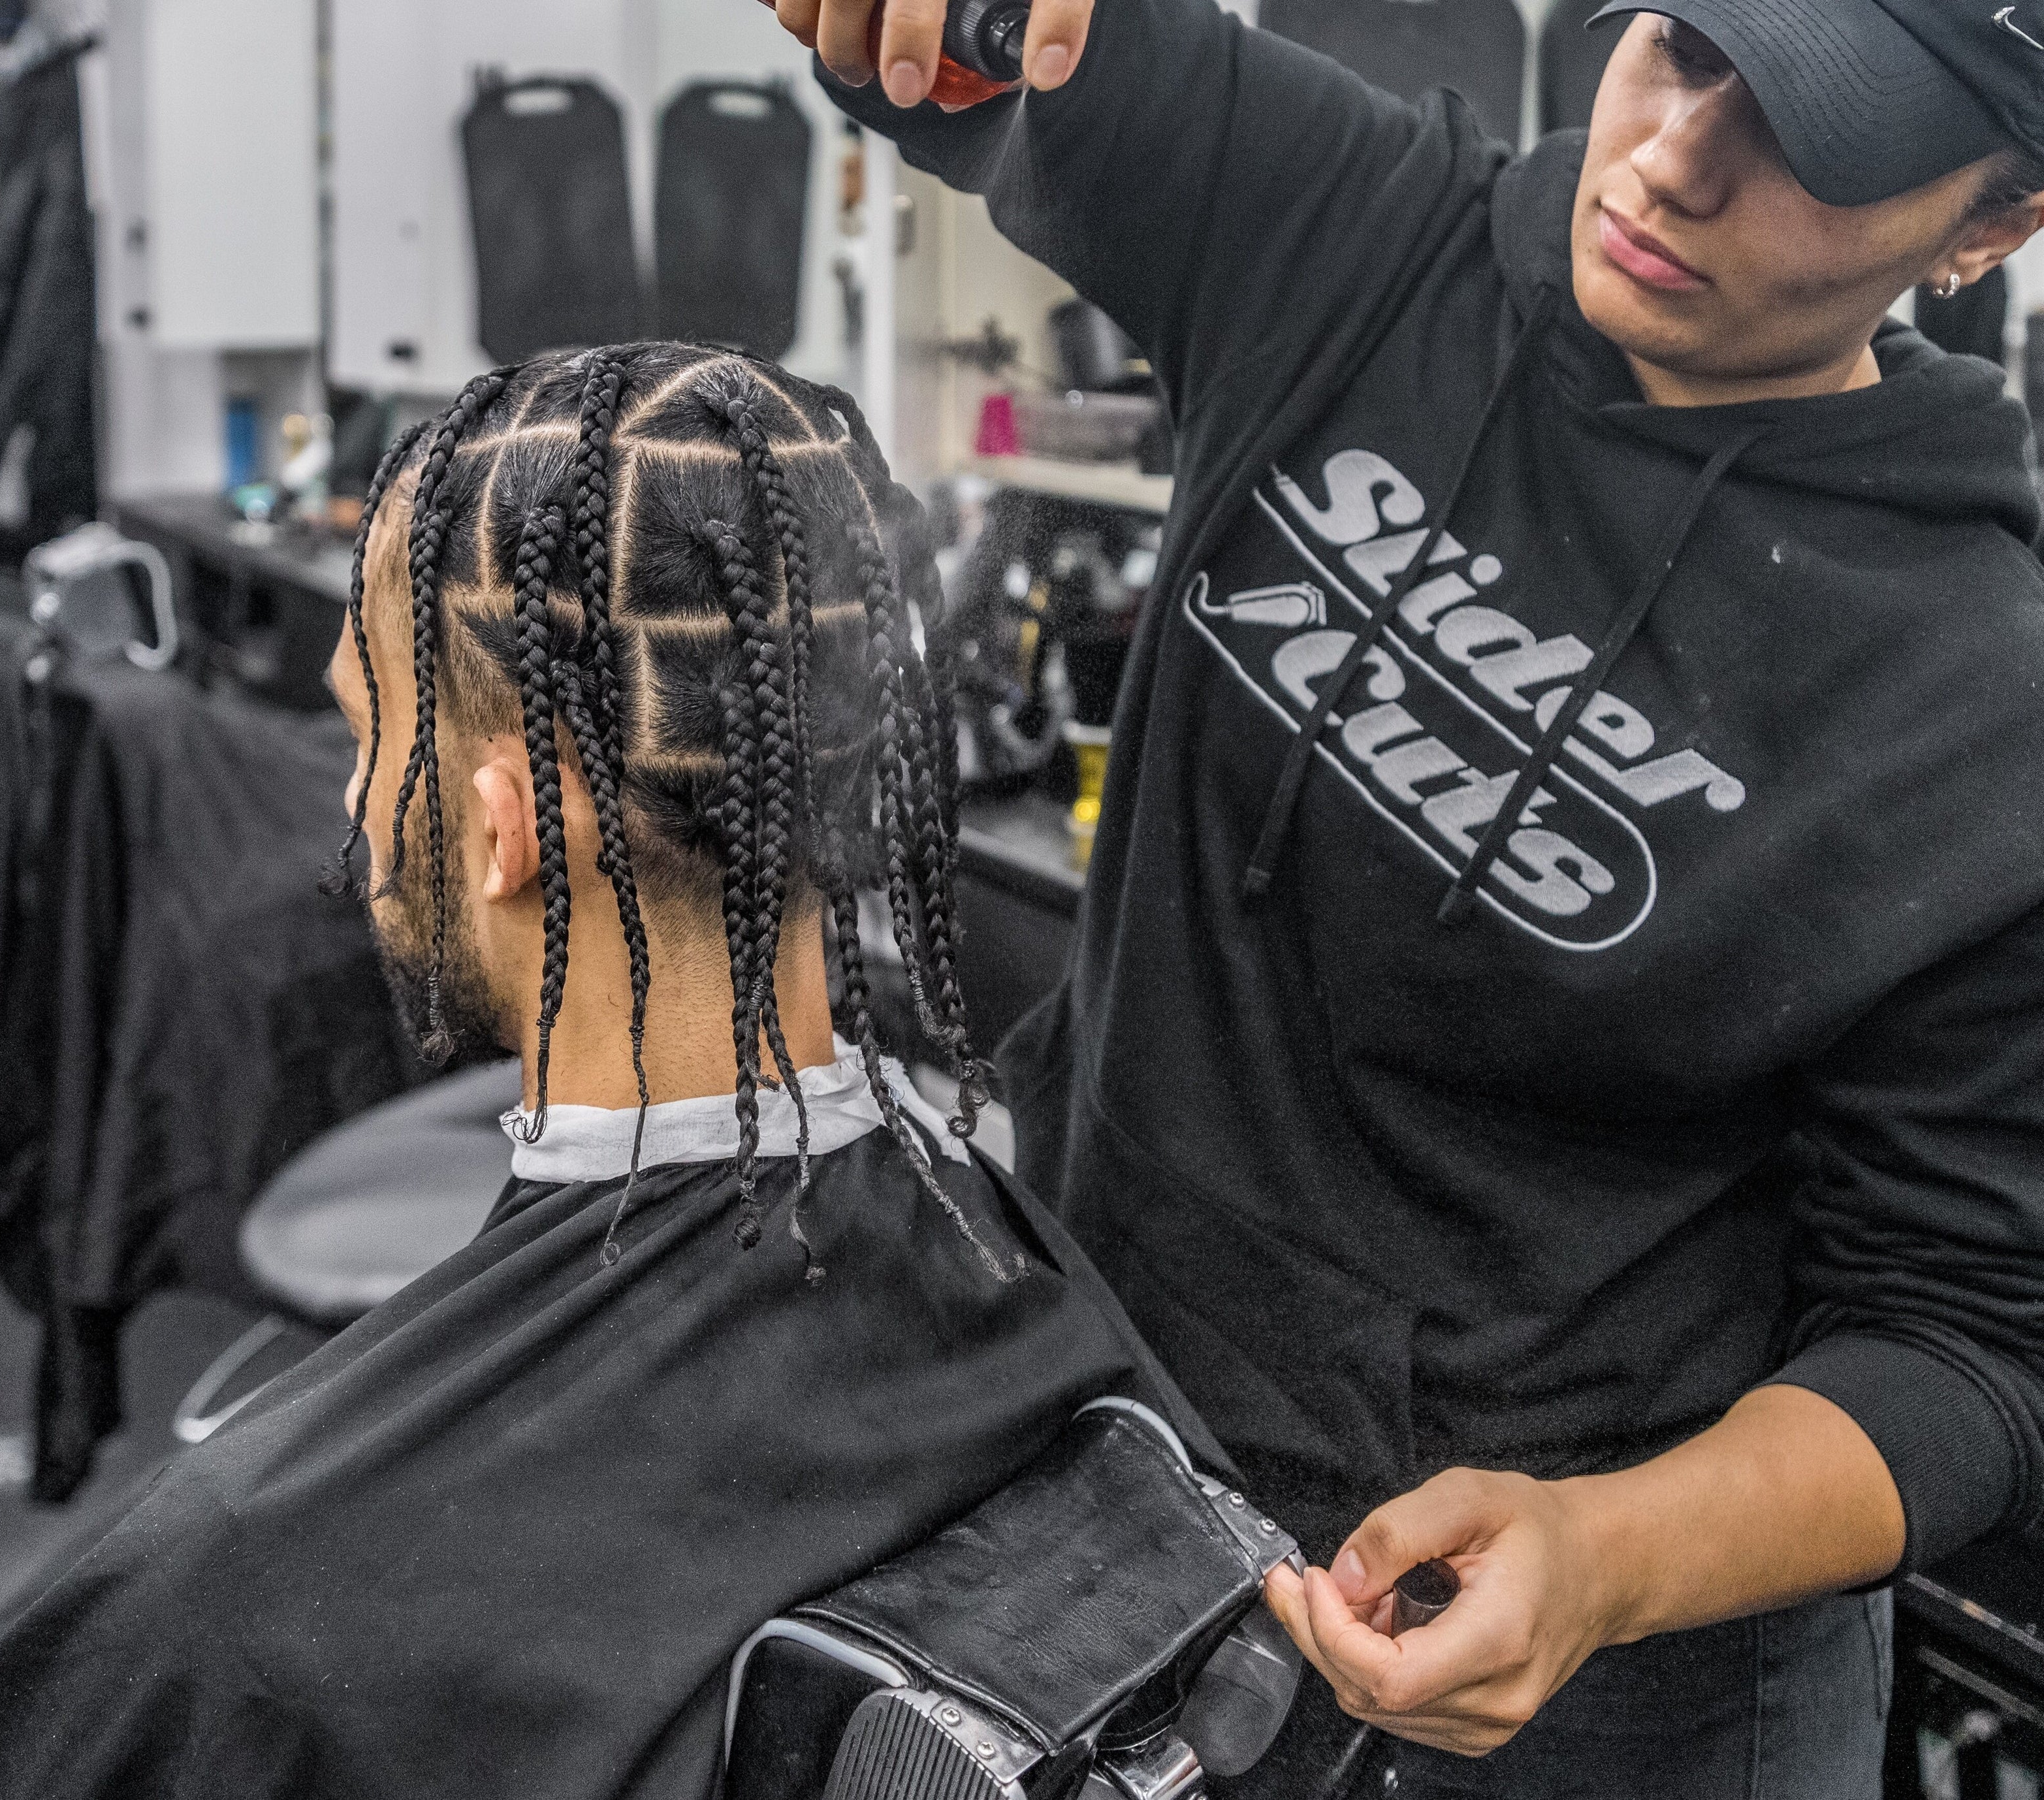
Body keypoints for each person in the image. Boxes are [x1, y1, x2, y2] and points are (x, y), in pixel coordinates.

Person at [776, 0, 2044, 1791]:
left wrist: (1613, 1558)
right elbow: (1011, 55)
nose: (1678, 162)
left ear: (1992, 220)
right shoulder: (1359, 228)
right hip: (1123, 1488)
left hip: (1604, 1673)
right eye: (1685, 51)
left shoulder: (1977, 701)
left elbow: (1976, 1345)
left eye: (1812, 146)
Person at [0, 345, 1244, 1798]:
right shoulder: (1035, 1288)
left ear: (504, 825)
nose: (351, 797)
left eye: (369, 731)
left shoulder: (243, 1590)